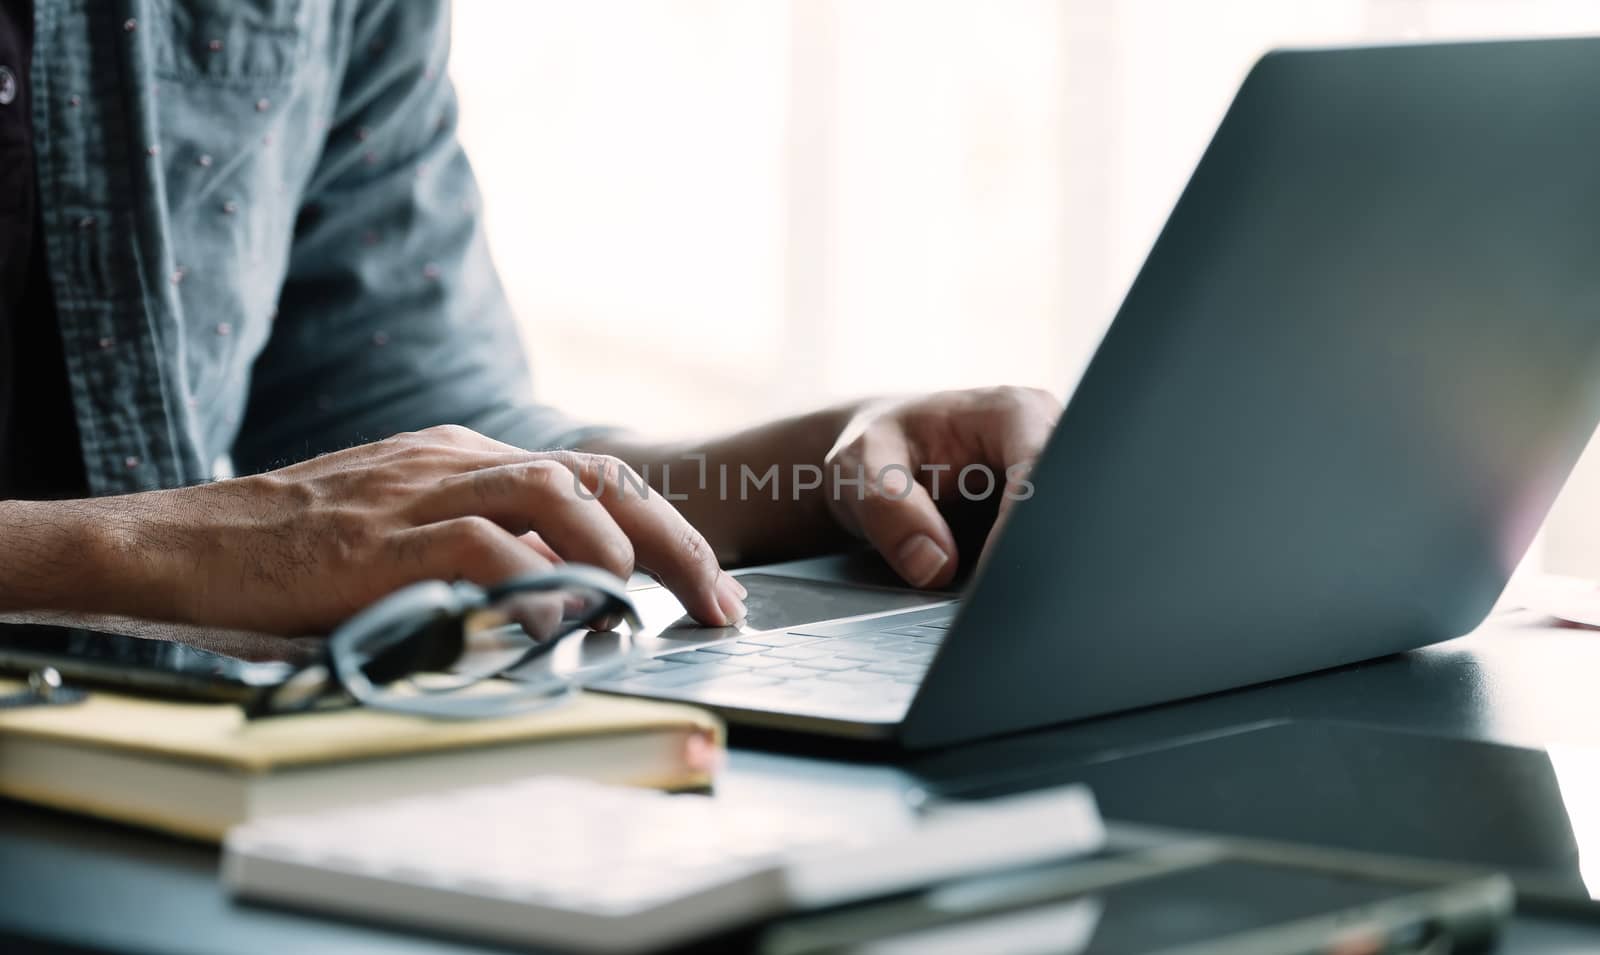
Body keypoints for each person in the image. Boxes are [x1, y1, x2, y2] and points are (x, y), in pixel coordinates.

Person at [0, 1, 1059, 638]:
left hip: (191, 802)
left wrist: (810, 471)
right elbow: (284, 530)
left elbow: (407, 436)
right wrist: (141, 549)